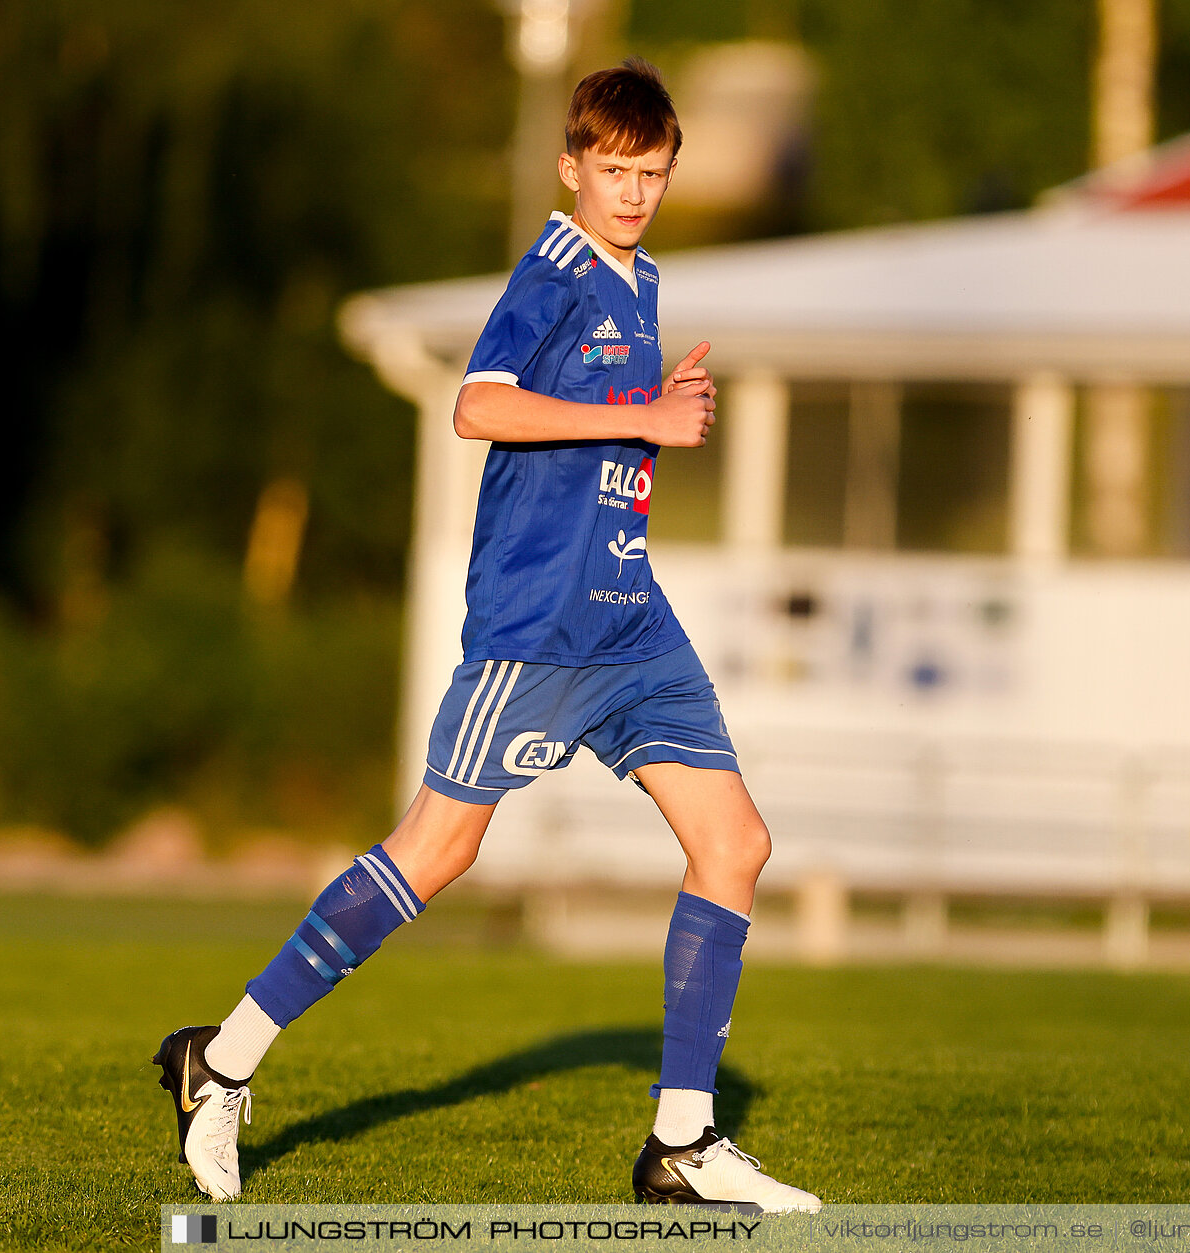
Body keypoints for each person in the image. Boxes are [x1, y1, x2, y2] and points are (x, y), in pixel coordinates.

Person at [153, 57, 821, 1215]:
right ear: (571, 167)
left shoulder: (640, 277)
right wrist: (643, 412)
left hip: (631, 625)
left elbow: (593, 436)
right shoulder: (551, 272)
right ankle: (222, 1058)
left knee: (738, 844)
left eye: (653, 174)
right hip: (535, 629)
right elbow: (479, 403)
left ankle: (681, 1143)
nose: (633, 194)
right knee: (437, 850)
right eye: (614, 172)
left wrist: (651, 418)